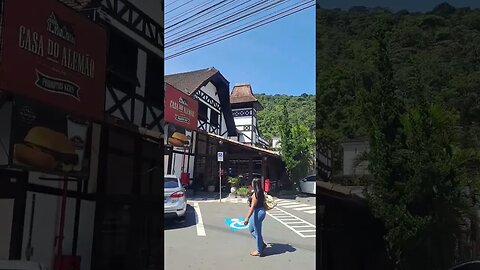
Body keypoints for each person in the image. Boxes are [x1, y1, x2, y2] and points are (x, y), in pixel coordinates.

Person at [243, 178, 267, 256]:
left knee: (257, 232)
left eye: (252, 183)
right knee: (251, 229)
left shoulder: (256, 194)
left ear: (255, 184)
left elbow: (252, 207)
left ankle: (259, 250)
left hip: (258, 213)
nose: (251, 184)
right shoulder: (260, 192)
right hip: (260, 211)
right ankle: (261, 244)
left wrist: (247, 217)